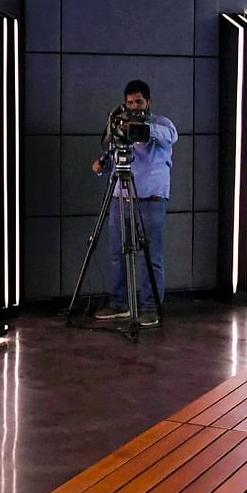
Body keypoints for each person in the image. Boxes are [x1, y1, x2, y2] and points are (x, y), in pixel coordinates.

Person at [90, 79, 177, 327]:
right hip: (121, 198)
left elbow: (172, 136)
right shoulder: (121, 124)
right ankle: (119, 304)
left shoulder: (162, 124)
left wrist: (143, 126)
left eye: (139, 101)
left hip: (151, 200)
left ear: (148, 101)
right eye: (130, 102)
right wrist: (103, 164)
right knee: (118, 254)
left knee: (150, 257)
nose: (134, 106)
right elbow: (117, 155)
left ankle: (151, 308)